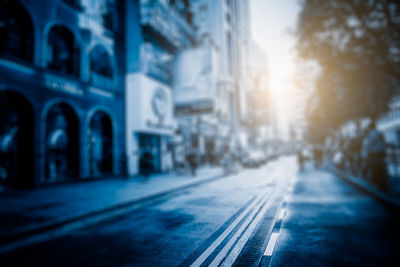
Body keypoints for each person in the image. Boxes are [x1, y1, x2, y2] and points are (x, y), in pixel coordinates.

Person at [362, 120, 388, 191]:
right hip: (381, 153)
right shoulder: (380, 133)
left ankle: (379, 184)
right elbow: (384, 143)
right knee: (382, 168)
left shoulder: (370, 134)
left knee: (375, 169)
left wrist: (366, 153)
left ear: (369, 127)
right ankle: (383, 183)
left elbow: (368, 145)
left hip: (373, 154)